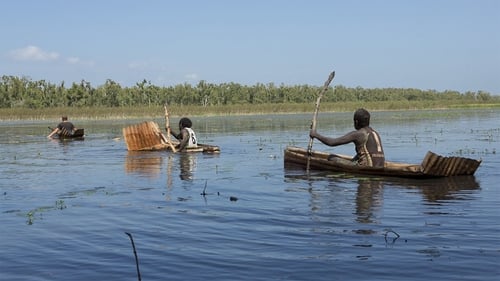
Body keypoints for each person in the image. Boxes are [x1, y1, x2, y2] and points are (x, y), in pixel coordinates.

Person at [309, 108, 385, 167]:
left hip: (368, 167)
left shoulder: (359, 134)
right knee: (357, 156)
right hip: (380, 165)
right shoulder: (375, 133)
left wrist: (315, 135)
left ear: (356, 122)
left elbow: (332, 142)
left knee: (331, 158)